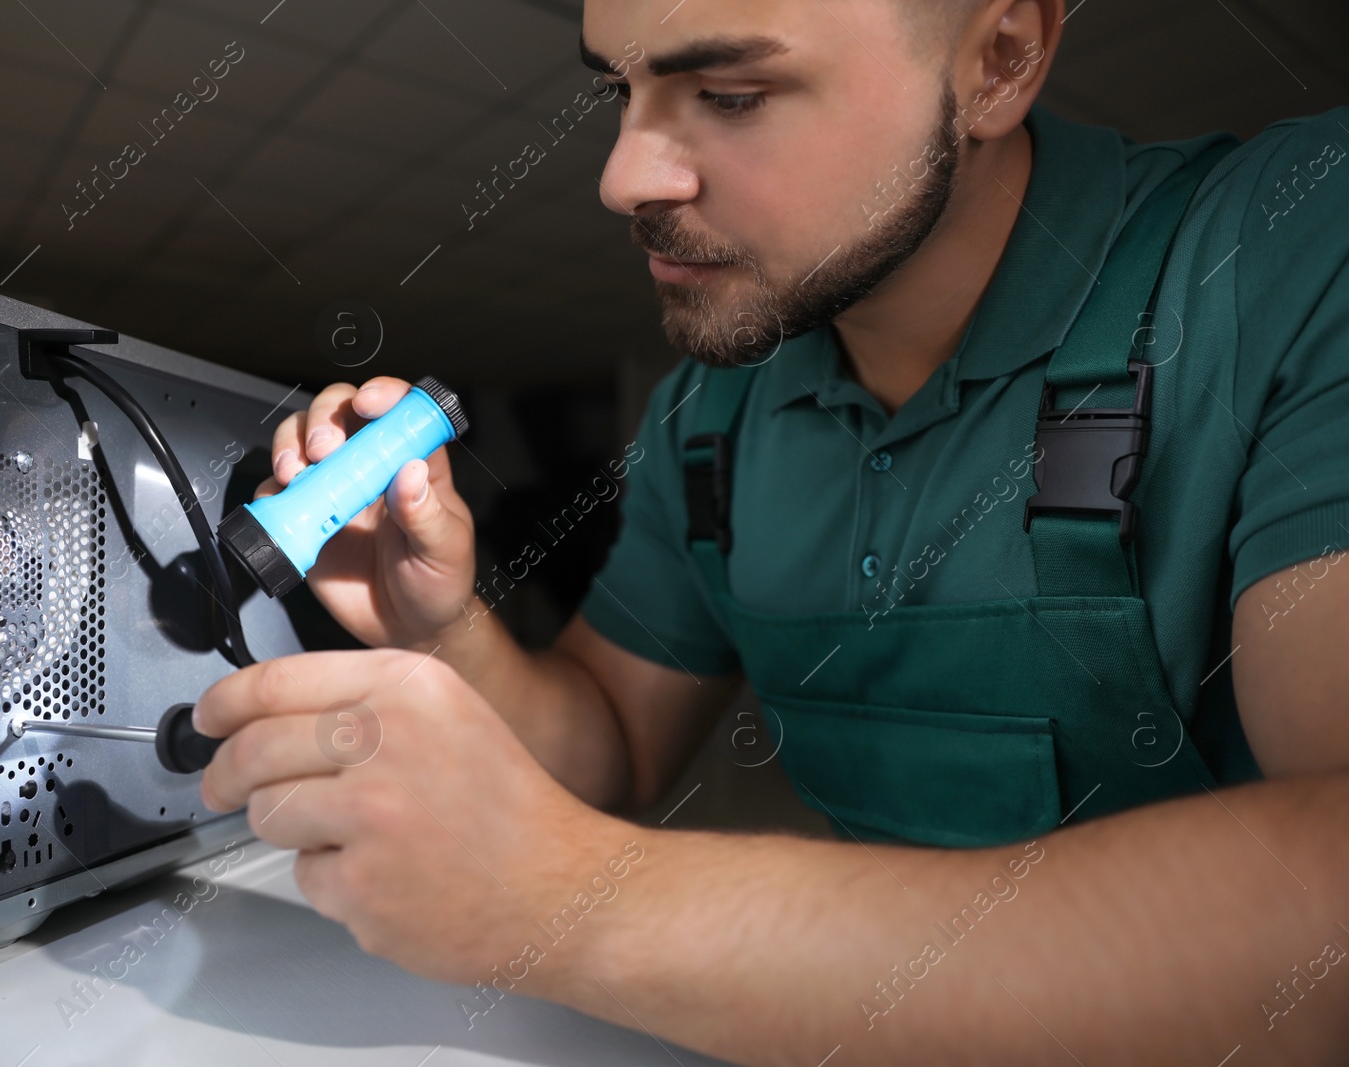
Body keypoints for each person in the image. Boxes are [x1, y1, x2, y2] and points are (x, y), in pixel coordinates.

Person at [193, 0, 1349, 1061]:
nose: (621, 175)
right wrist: (440, 623)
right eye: (620, 92)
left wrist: (566, 896)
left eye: (732, 94)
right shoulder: (713, 417)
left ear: (1000, 59)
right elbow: (606, 747)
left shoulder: (1295, 249)